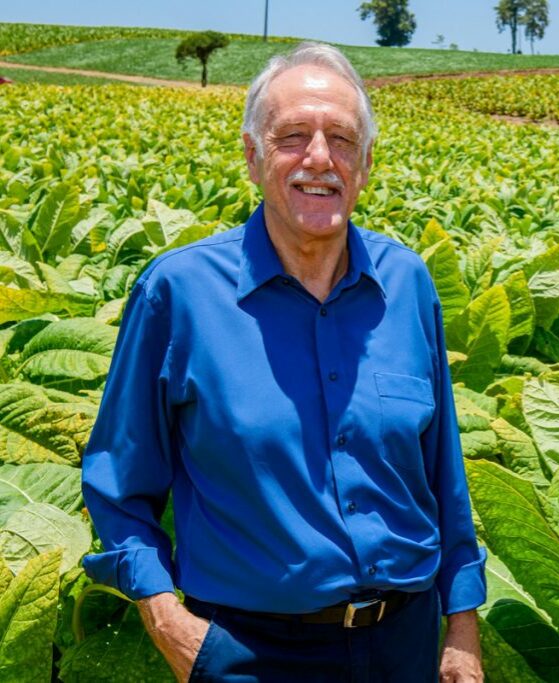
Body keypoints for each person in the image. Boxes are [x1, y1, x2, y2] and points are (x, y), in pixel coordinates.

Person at [81, 42, 486, 682]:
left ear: (367, 163)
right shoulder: (179, 293)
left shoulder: (408, 283)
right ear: (252, 156)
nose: (319, 158)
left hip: (405, 643)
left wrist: (461, 629)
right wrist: (168, 623)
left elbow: (444, 476)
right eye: (292, 136)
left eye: (342, 140)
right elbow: (118, 485)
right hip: (251, 652)